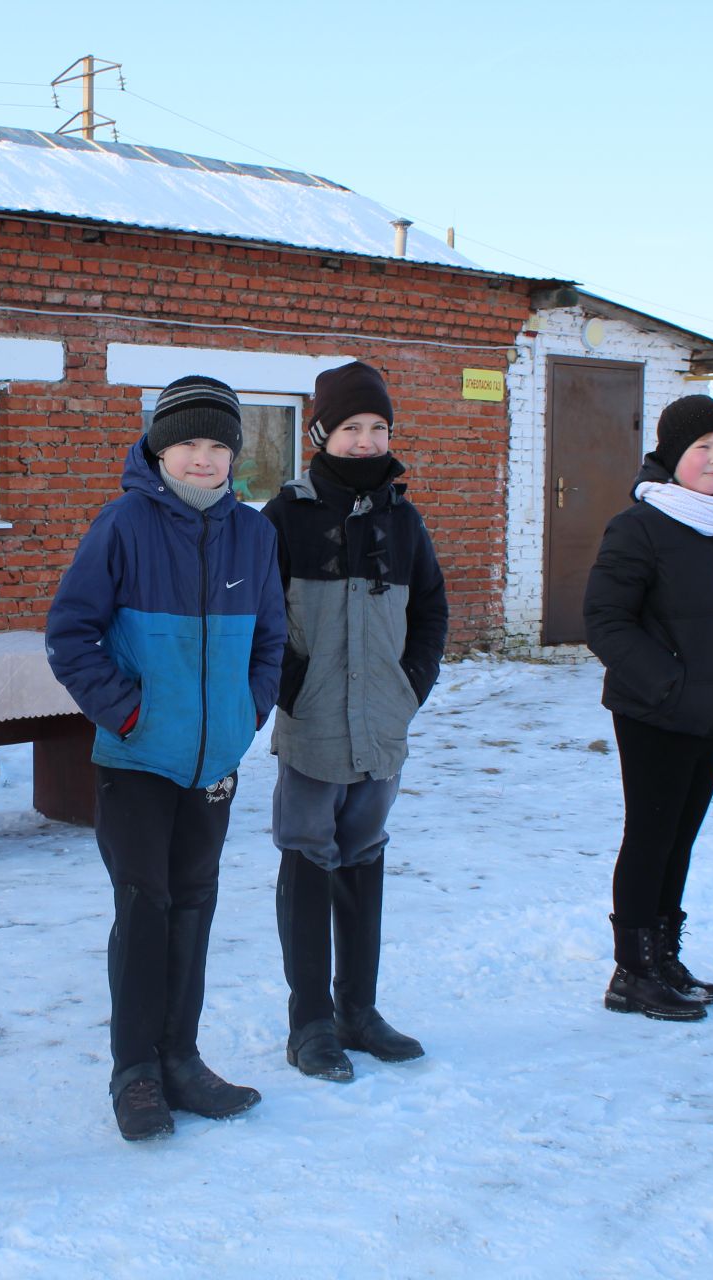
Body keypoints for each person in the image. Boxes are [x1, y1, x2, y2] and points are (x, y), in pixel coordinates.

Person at [45, 375, 286, 1142]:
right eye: (188, 443)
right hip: (136, 762)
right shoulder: (122, 526)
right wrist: (131, 712)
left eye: (219, 445)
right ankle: (135, 1073)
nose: (204, 459)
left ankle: (181, 1059)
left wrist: (246, 715)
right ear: (159, 447)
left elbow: (273, 641)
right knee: (143, 910)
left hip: (212, 764)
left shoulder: (256, 534)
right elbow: (69, 635)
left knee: (194, 908)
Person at [263, 361, 448, 1083]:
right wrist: (293, 686)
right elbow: (259, 618)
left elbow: (431, 610)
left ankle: (358, 1012)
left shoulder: (404, 519)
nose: (367, 441)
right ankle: (309, 1023)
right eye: (351, 428)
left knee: (365, 855)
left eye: (378, 429)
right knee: (309, 854)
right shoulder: (285, 517)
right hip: (312, 728)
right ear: (322, 434)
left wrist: (411, 685)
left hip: (383, 728)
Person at [582, 395, 713, 1022]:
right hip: (655, 711)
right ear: (672, 455)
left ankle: (663, 956)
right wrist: (666, 682)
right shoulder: (639, 526)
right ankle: (632, 971)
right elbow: (605, 621)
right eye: (703, 449)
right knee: (650, 836)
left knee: (681, 840)